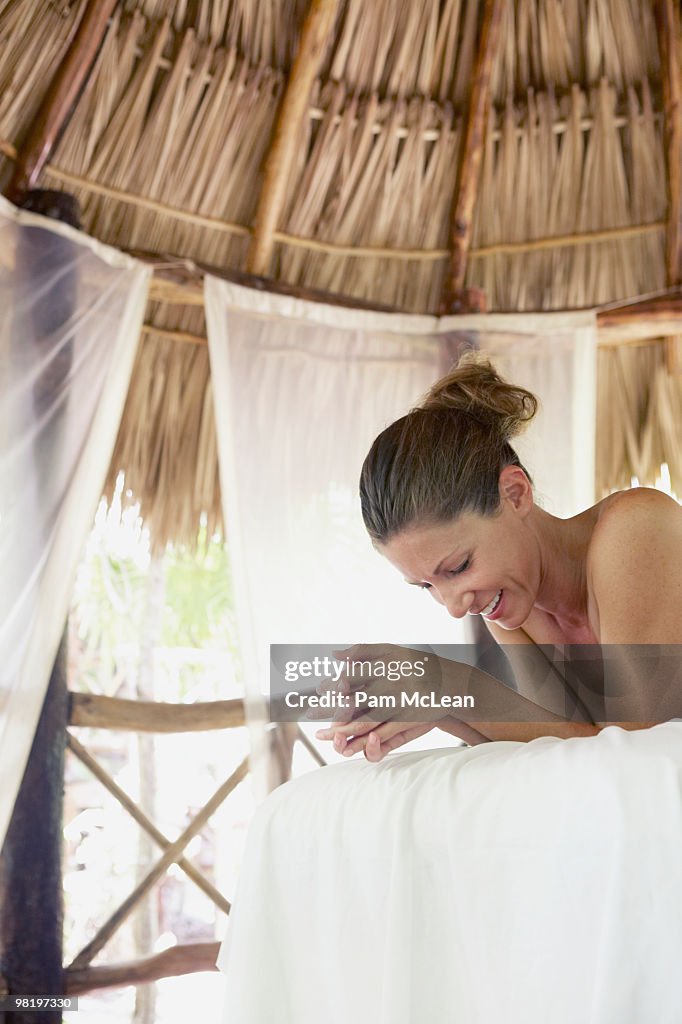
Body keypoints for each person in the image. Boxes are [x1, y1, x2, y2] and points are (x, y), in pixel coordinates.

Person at [315, 355, 682, 761]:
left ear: (515, 494)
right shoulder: (513, 611)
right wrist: (440, 706)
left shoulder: (636, 530)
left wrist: (454, 687)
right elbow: (568, 753)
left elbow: (639, 756)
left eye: (458, 567)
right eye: (428, 586)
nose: (455, 607)